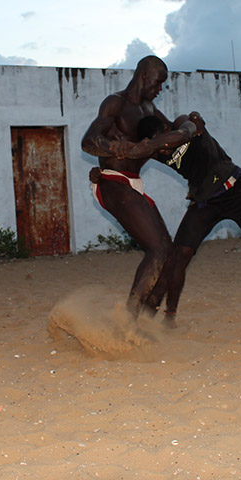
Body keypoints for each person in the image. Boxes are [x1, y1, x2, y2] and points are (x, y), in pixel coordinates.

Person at [131, 114, 241, 327]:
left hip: (237, 192)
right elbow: (126, 160)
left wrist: (196, 123)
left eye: (163, 141)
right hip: (204, 203)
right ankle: (170, 316)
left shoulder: (180, 125)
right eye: (159, 147)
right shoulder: (156, 152)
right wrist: (101, 174)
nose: (164, 149)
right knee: (179, 256)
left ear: (166, 128)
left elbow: (190, 123)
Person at [81, 56, 197, 318]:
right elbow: (87, 141)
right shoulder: (116, 103)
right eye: (157, 83)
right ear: (144, 76)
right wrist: (114, 147)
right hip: (112, 181)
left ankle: (145, 316)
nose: (159, 89)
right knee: (158, 249)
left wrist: (188, 126)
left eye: (162, 85)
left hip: (132, 185)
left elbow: (174, 132)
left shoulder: (149, 109)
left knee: (169, 255)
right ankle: (128, 320)